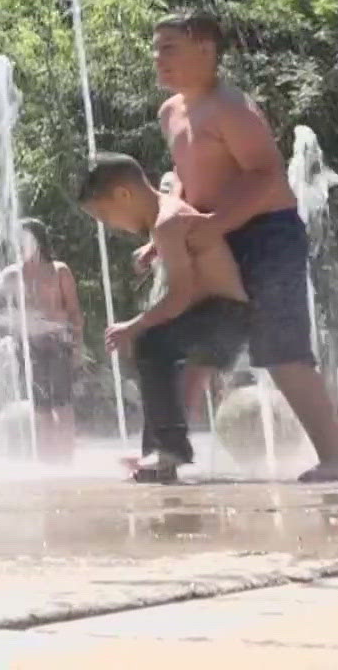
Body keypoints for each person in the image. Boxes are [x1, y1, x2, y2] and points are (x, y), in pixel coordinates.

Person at [146, 10, 338, 482]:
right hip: (212, 234)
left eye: (170, 48)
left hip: (266, 235)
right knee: (186, 345)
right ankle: (167, 453)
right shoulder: (170, 112)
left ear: (207, 50)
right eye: (156, 49)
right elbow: (185, 174)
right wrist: (166, 230)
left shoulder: (231, 108)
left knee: (282, 350)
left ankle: (336, 458)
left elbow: (266, 175)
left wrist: (216, 222)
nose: (159, 59)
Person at [80, 152, 252, 484]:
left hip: (226, 318)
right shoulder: (167, 220)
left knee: (150, 340)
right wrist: (155, 248)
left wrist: (133, 325)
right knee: (153, 350)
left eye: (104, 215)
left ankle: (169, 449)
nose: (108, 226)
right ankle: (156, 455)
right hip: (216, 316)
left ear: (124, 195)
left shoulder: (167, 222)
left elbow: (179, 297)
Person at [0, 219, 82, 463]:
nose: (19, 243)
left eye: (24, 237)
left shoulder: (59, 271)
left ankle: (66, 459)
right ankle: (47, 459)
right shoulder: (13, 274)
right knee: (40, 407)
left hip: (58, 342)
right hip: (29, 346)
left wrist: (77, 344)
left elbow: (74, 311)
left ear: (38, 240)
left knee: (62, 404)